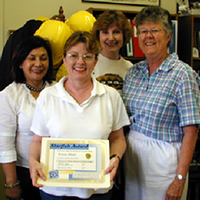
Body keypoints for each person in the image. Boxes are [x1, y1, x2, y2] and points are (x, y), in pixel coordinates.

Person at [29, 31, 130, 200]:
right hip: (54, 191)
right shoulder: (47, 96)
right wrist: (33, 161)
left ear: (96, 61)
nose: (80, 62)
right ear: (64, 59)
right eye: (73, 55)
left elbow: (118, 138)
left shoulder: (111, 95)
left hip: (97, 190)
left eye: (87, 56)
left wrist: (115, 157)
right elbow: (38, 141)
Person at [122, 6, 200, 200]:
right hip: (132, 159)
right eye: (143, 31)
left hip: (163, 164)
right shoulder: (133, 72)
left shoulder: (183, 75)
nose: (148, 36)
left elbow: (191, 131)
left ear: (168, 36)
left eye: (154, 31)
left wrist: (180, 178)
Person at [0, 35, 54, 200]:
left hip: (56, 167)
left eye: (43, 58)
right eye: (32, 58)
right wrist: (11, 182)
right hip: (23, 171)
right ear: (21, 63)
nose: (38, 64)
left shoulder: (58, 90)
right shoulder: (9, 95)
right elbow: (5, 143)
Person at [92, 10, 133, 93]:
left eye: (116, 32)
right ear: (98, 35)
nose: (111, 38)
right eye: (105, 32)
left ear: (124, 35)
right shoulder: (89, 64)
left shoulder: (130, 69)